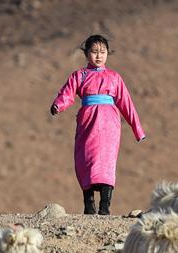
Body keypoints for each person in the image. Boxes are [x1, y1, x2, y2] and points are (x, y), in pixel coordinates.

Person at [50, 35, 146, 215]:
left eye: (103, 52)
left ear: (108, 54)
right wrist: (58, 105)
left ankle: (105, 206)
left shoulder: (114, 77)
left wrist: (137, 129)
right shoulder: (79, 75)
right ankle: (88, 204)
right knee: (84, 160)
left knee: (107, 161)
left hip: (109, 122)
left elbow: (126, 104)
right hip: (87, 121)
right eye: (94, 52)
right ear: (86, 53)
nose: (99, 56)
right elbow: (67, 93)